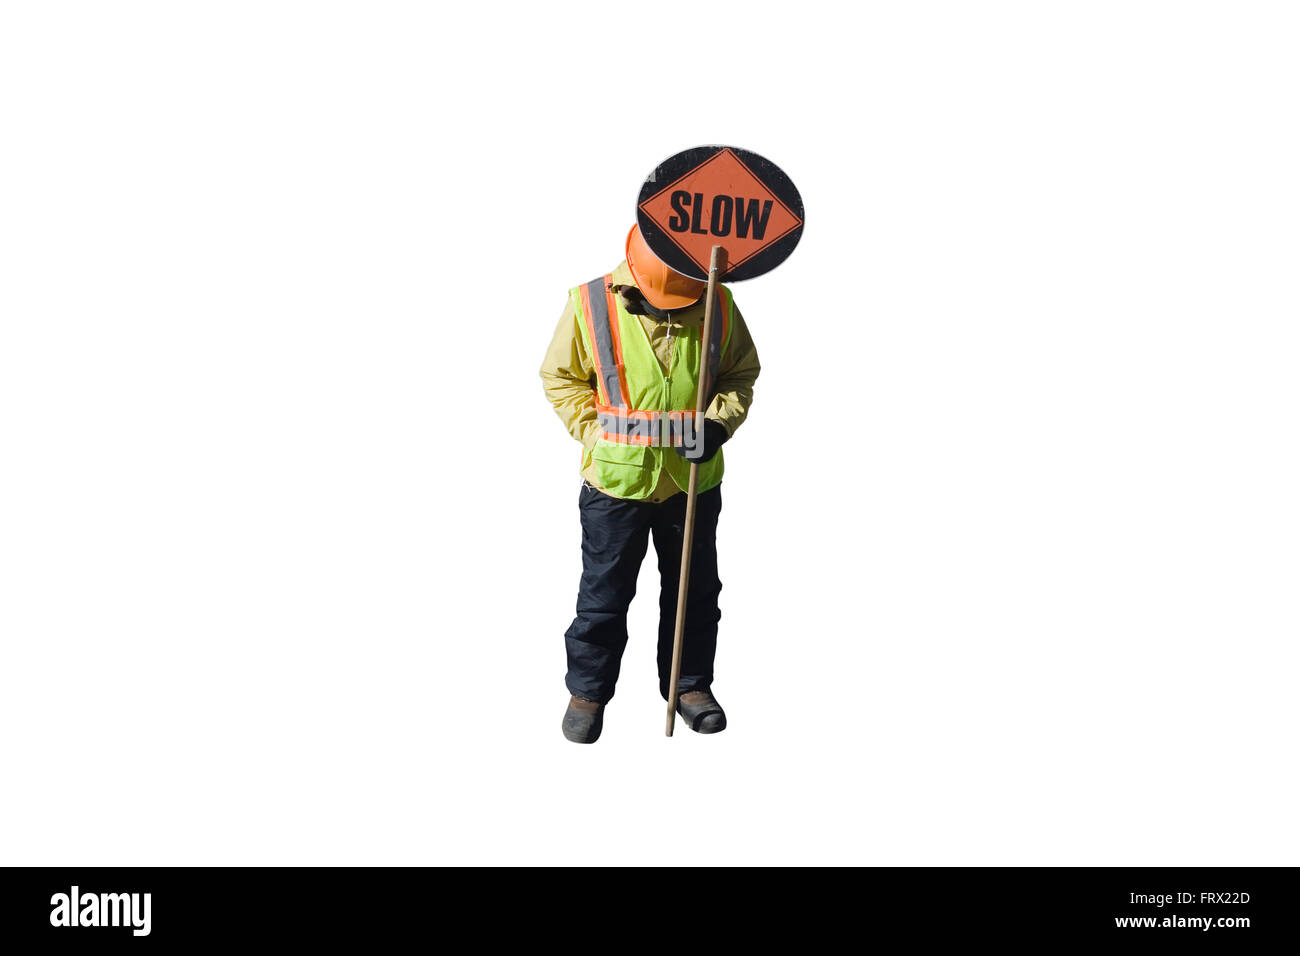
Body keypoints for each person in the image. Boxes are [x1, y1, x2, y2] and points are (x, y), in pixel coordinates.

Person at [539, 224, 761, 743]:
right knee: (603, 596)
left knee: (695, 593)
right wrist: (593, 433)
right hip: (616, 481)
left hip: (692, 480)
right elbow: (559, 376)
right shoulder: (591, 302)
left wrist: (719, 424)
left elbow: (740, 372)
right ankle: (587, 693)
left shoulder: (717, 301)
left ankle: (688, 687)